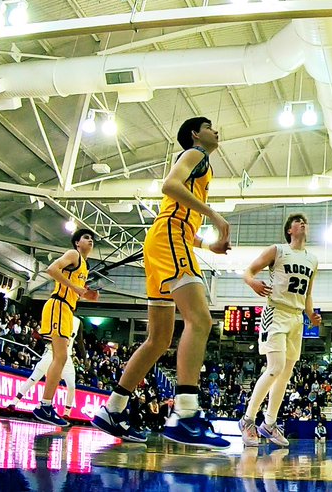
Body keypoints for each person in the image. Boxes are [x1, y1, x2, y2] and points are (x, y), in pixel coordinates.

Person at [93, 117, 231, 448]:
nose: (217, 130)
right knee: (200, 320)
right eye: (211, 126)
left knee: (158, 339)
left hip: (165, 238)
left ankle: (113, 408)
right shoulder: (197, 154)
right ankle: (185, 414)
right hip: (169, 239)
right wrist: (213, 214)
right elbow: (169, 186)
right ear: (196, 134)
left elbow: (176, 215)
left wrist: (207, 245)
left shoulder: (201, 163)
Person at [239, 213, 321, 448]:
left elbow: (308, 294)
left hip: (297, 318)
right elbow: (249, 271)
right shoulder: (278, 250)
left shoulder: (312, 260)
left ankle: (269, 423)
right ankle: (247, 420)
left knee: (285, 373)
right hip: (275, 312)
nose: (302, 223)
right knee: (274, 367)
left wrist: (311, 315)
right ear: (289, 230)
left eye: (304, 221)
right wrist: (251, 281)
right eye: (297, 222)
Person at [32, 229, 98, 427]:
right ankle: (45, 405)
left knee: (60, 358)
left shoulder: (84, 266)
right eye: (86, 237)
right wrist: (76, 288)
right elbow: (51, 270)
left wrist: (87, 295)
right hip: (58, 305)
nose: (91, 240)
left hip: (68, 309)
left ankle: (45, 405)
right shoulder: (73, 255)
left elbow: (75, 290)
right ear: (77, 242)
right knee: (59, 357)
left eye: (92, 239)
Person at [6, 316, 83, 418]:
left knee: (71, 385)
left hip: (66, 356)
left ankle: (66, 414)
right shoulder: (56, 314)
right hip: (51, 352)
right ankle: (13, 403)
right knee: (34, 378)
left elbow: (80, 340)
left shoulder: (77, 322)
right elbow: (44, 336)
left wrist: (84, 358)